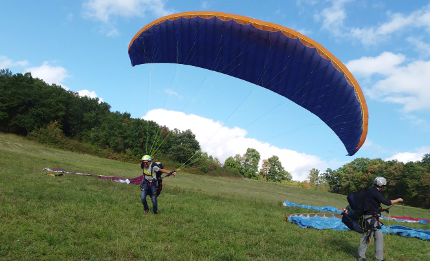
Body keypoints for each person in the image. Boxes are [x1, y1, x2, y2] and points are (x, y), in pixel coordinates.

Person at [357, 177, 403, 261]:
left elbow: (371, 203)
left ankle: (379, 258)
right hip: (370, 218)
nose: (383, 188)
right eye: (383, 186)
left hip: (373, 218)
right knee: (367, 236)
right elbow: (387, 202)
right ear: (381, 185)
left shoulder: (372, 191)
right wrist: (398, 200)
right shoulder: (374, 192)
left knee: (379, 237)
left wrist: (380, 209)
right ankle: (360, 256)